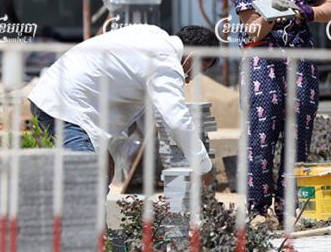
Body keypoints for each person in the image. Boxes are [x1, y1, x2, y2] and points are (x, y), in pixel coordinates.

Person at [229, 0, 331, 222]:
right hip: (263, 66)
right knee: (261, 135)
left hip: (301, 64)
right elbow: (250, 29)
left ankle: (289, 204)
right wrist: (270, 17)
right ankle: (258, 210)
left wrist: (303, 11)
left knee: (298, 135)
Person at [27, 24, 218, 176]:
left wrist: (105, 149)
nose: (192, 78)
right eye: (200, 69)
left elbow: (115, 86)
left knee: (97, 176)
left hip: (58, 99)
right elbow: (177, 120)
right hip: (66, 108)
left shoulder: (150, 34)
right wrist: (203, 165)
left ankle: (93, 225)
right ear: (193, 56)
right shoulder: (165, 62)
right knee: (85, 183)